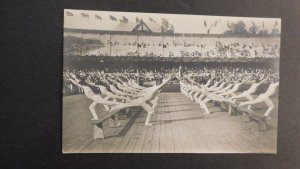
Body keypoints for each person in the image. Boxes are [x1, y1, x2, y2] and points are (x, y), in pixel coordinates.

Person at [109, 74, 174, 126]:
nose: (161, 87)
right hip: (141, 101)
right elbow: (163, 84)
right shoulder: (155, 88)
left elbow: (144, 92)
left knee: (127, 105)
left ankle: (113, 107)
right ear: (158, 84)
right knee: (127, 105)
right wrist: (169, 78)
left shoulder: (153, 87)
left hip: (142, 100)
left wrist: (135, 96)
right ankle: (113, 108)